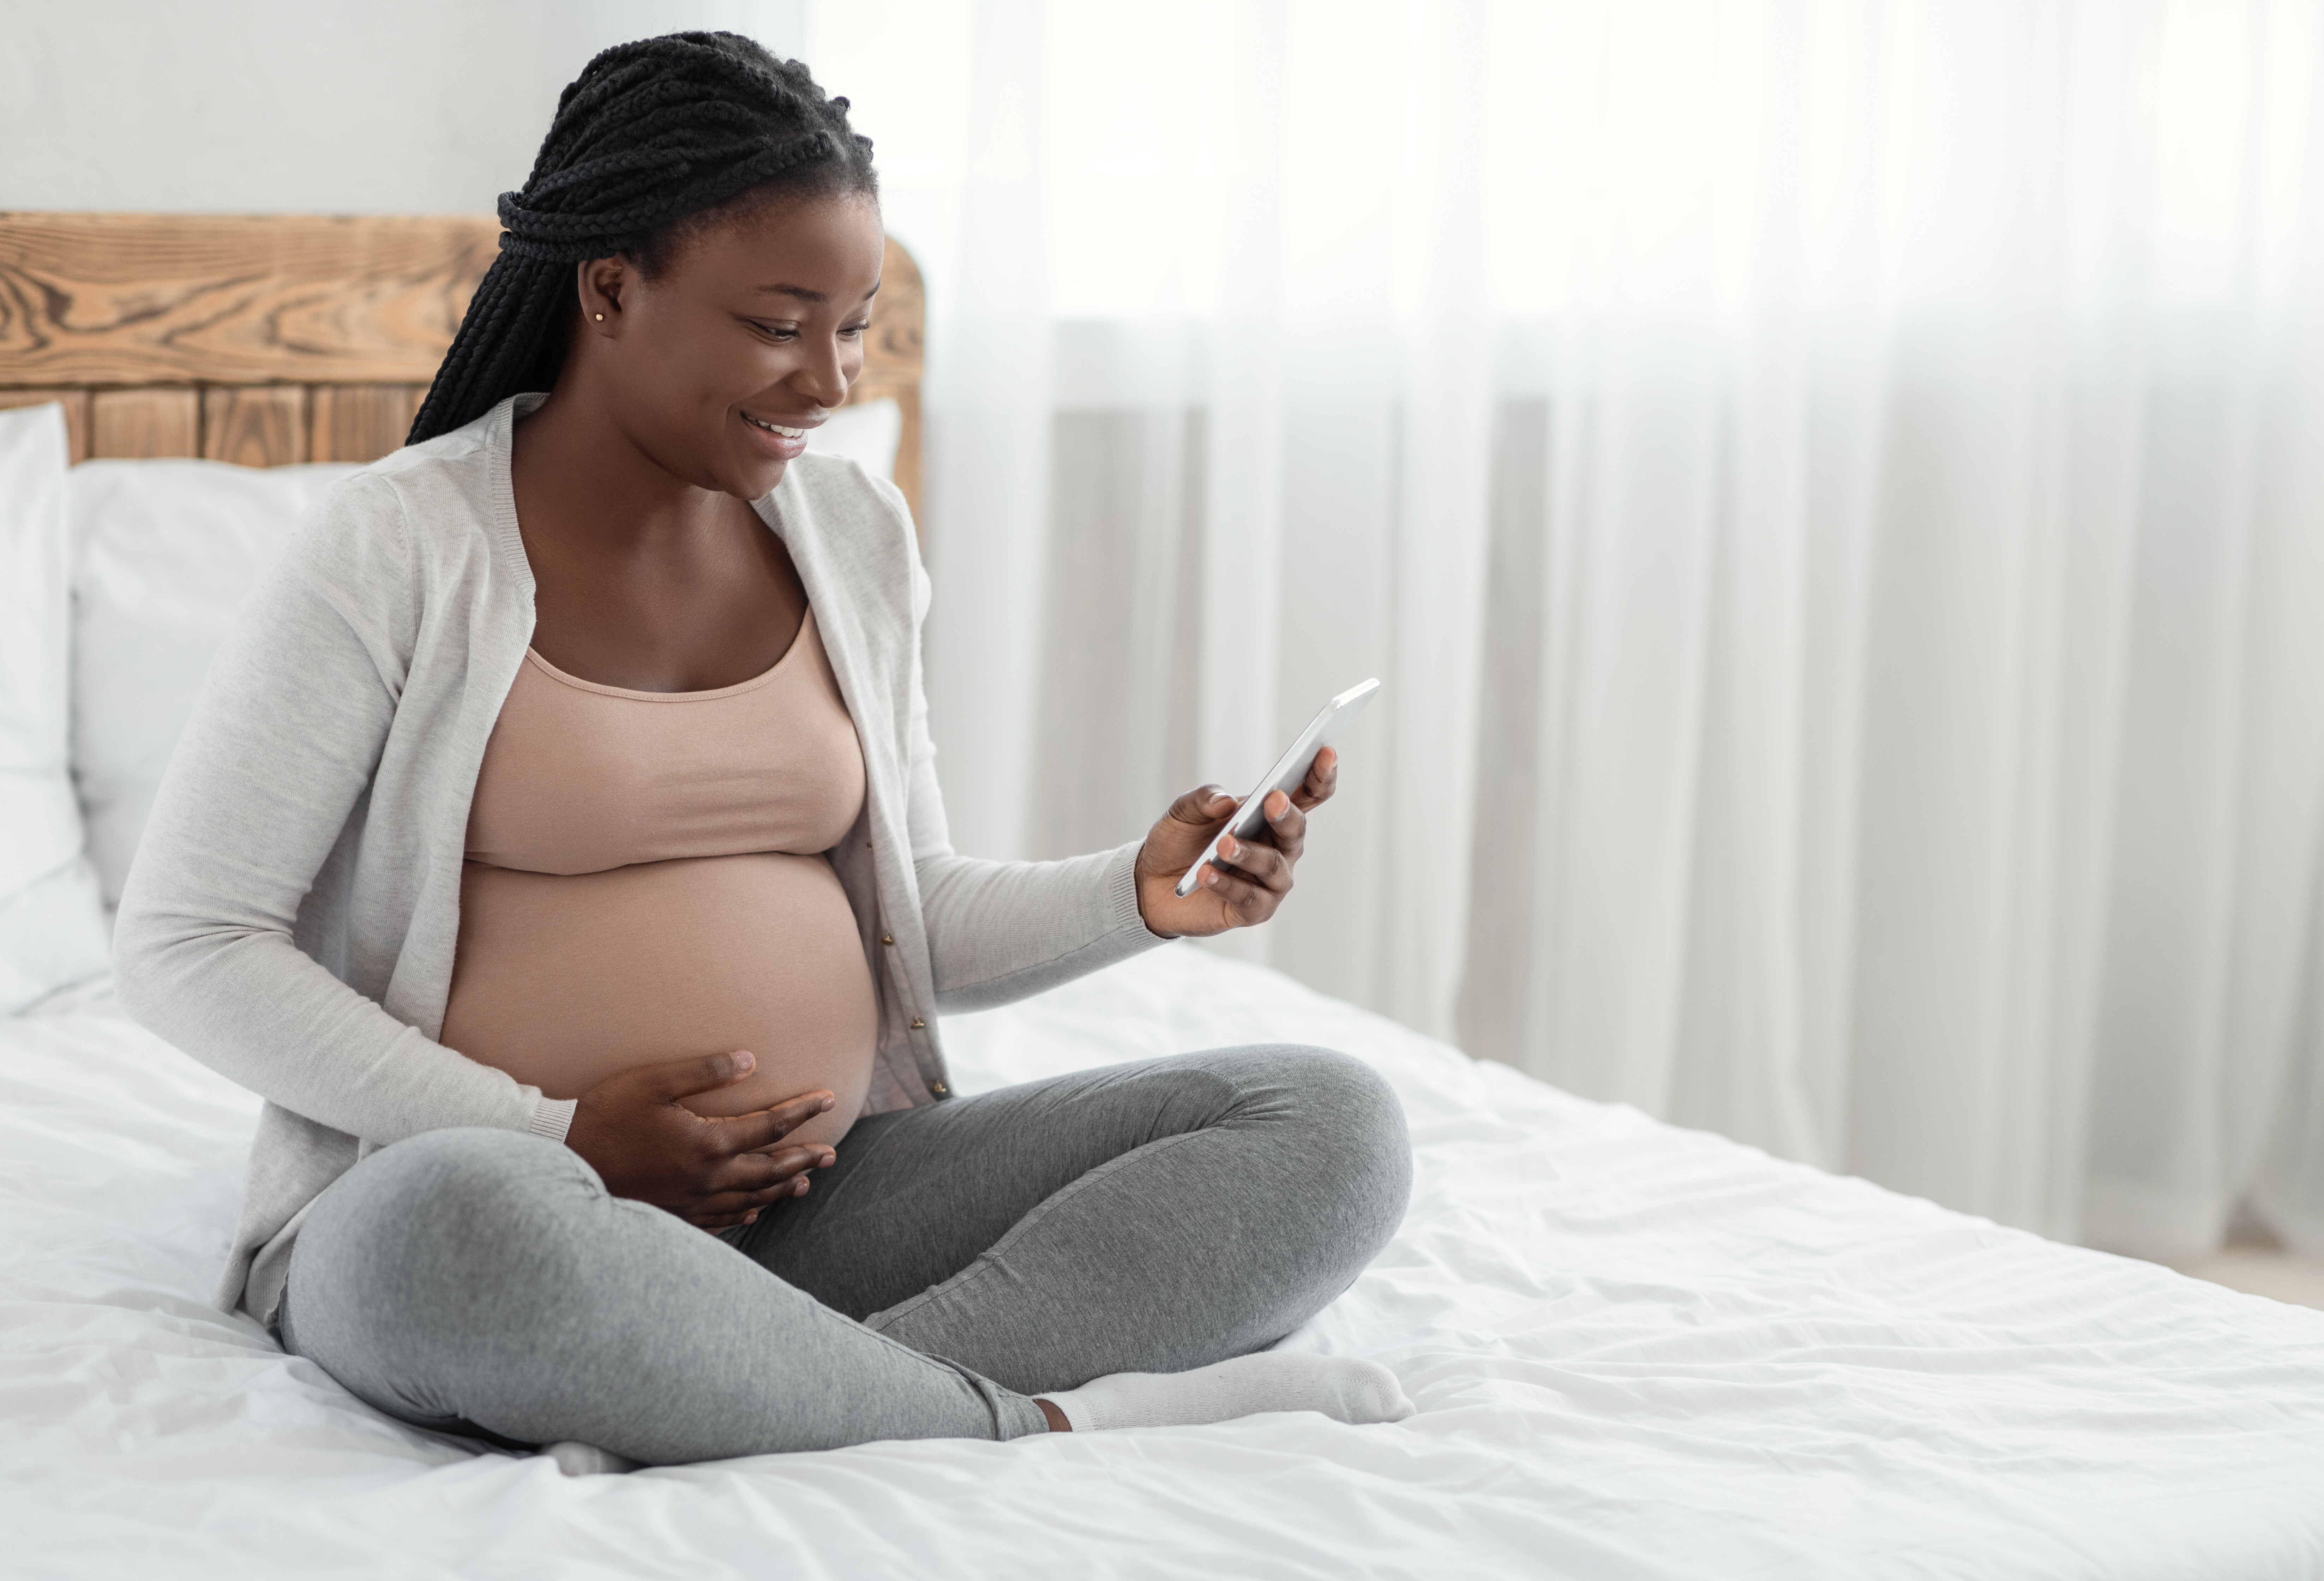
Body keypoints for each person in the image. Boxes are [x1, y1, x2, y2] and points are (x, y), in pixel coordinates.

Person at [114, 32, 1412, 1470]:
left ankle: (772, 1386)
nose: (830, 380)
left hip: (833, 1203)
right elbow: (189, 942)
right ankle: (1031, 1414)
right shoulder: (405, 543)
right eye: (781, 323)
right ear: (612, 288)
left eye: (855, 328)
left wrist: (1140, 896)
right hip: (503, 1199)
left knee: (1327, 1122)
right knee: (454, 1238)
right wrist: (556, 1137)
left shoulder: (853, 537)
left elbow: (915, 912)